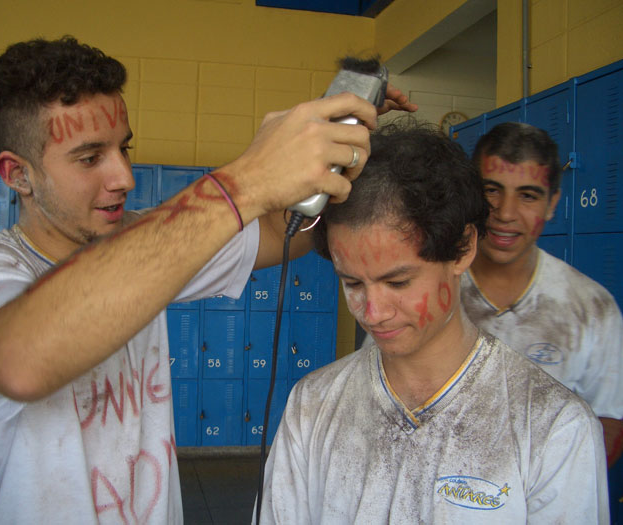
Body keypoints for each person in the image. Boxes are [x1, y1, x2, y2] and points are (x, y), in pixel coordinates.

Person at [0, 37, 417, 523]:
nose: (124, 177)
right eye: (90, 158)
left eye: (123, 148)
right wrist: (246, 180)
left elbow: (284, 233)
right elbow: (21, 364)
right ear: (17, 175)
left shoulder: (146, 239)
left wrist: (341, 157)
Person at [257, 120, 609, 523]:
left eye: (398, 282)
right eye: (352, 283)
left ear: (463, 248)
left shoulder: (552, 426)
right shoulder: (312, 405)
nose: (373, 312)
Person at [461, 122, 623, 471]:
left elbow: (608, 422)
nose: (506, 213)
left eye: (528, 196)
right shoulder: (428, 288)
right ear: (471, 194)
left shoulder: (593, 308)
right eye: (492, 190)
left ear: (552, 204)